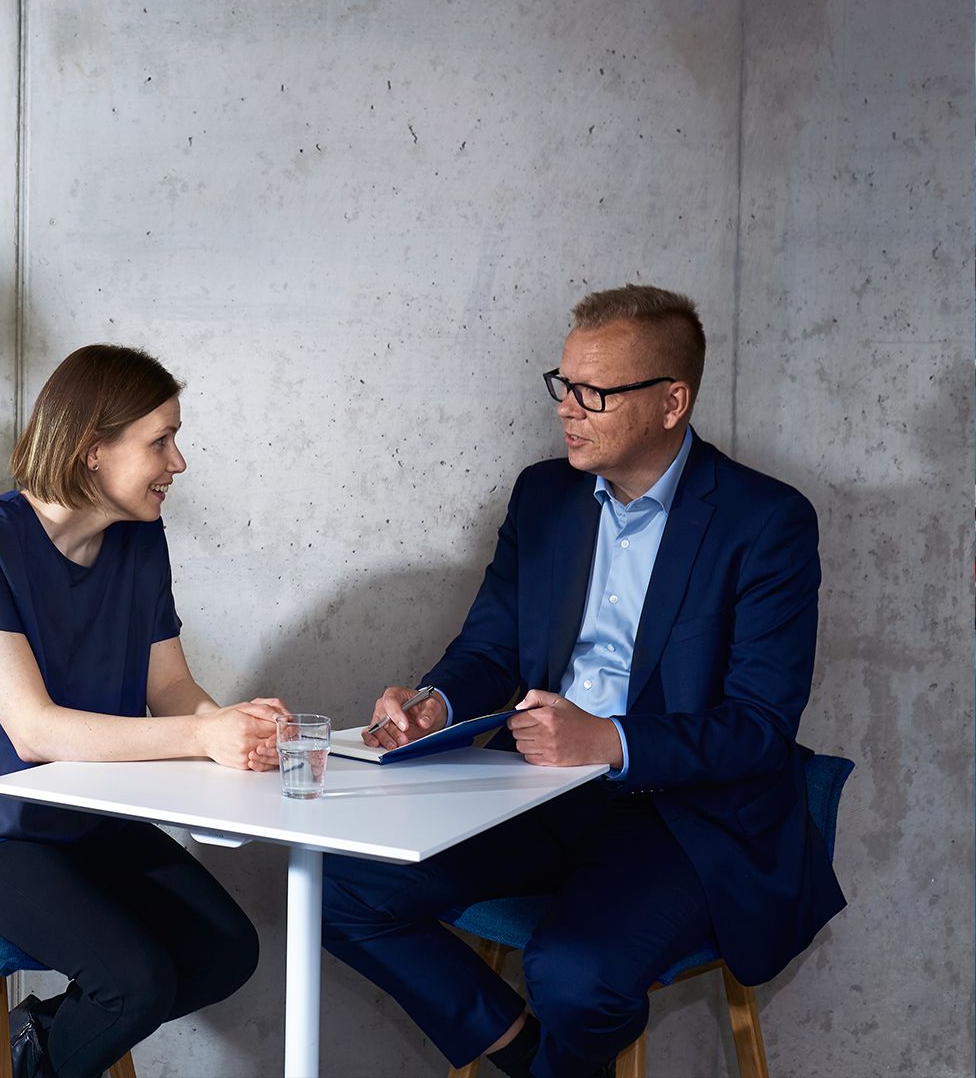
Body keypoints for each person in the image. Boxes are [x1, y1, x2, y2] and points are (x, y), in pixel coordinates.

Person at [320, 286, 845, 1078]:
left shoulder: (766, 523)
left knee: (574, 975)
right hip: (535, 786)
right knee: (337, 885)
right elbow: (490, 650)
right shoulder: (544, 497)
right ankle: (532, 1060)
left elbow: (759, 725)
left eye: (594, 393)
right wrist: (436, 702)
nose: (568, 408)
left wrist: (608, 741)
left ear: (673, 402)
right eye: (562, 385)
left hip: (683, 814)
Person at [0, 344, 284, 1078]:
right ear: (93, 450)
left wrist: (238, 731)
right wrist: (200, 735)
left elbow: (172, 691)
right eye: (161, 440)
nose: (179, 462)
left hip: (76, 814)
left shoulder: (140, 541)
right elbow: (32, 731)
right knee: (135, 983)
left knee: (225, 951)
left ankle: (3, 1056)